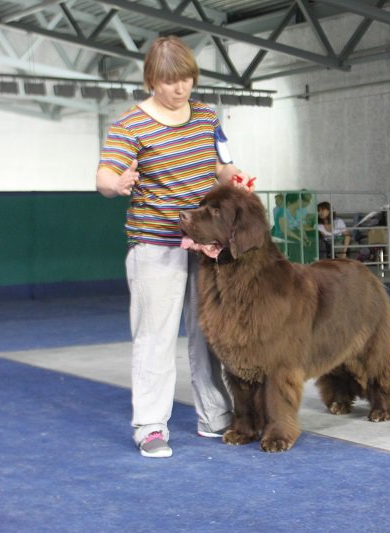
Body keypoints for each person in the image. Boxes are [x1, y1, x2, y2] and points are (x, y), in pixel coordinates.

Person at [95, 36, 256, 458]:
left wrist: (234, 178)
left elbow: (222, 166)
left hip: (206, 245)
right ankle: (150, 426)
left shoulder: (205, 116)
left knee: (209, 334)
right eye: (170, 82)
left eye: (186, 79)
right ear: (152, 80)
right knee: (155, 336)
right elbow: (104, 177)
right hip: (155, 245)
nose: (180, 89)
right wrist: (118, 182)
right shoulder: (130, 125)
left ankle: (214, 415)